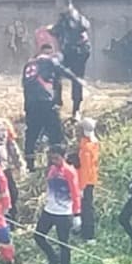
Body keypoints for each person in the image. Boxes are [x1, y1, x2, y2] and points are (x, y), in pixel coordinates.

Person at [22, 43, 79, 172]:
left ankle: (30, 165)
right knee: (55, 134)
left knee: (31, 134)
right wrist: (78, 80)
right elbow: (65, 73)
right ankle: (56, 164)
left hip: (31, 105)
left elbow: (25, 86)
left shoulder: (29, 64)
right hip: (46, 104)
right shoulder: (50, 62)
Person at [32, 145, 80, 264]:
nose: (54, 161)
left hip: (64, 213)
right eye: (52, 158)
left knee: (63, 244)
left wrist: (77, 214)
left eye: (57, 158)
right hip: (49, 210)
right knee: (38, 236)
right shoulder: (52, 169)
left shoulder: (70, 172)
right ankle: (53, 258)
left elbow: (76, 194)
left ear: (63, 157)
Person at [48, 0, 92, 121]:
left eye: (57, 1)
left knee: (76, 79)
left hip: (79, 51)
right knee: (55, 72)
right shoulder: (63, 16)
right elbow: (58, 30)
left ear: (64, 2)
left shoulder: (73, 16)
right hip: (69, 51)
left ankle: (76, 110)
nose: (55, 4)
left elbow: (76, 30)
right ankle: (57, 101)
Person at [75, 117, 99, 243]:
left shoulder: (86, 148)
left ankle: (88, 235)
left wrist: (81, 187)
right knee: (86, 207)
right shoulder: (93, 142)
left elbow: (85, 169)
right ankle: (84, 231)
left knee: (86, 208)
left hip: (85, 182)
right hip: (90, 179)